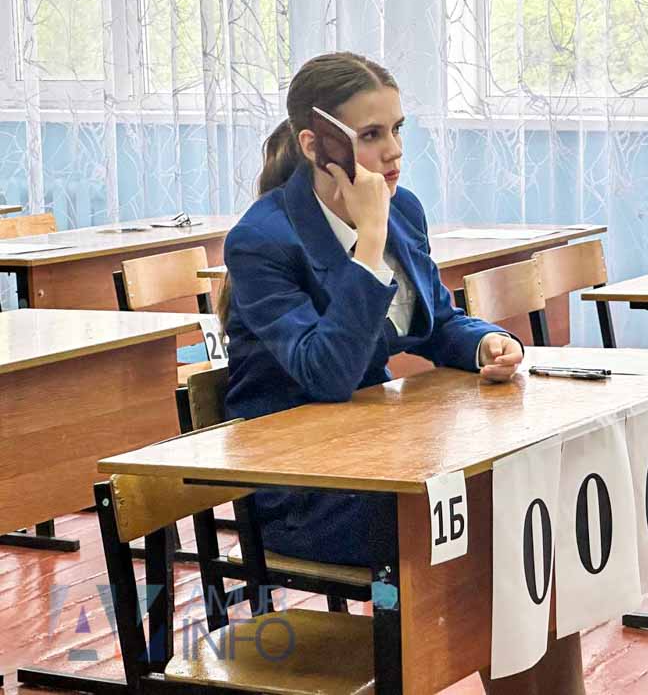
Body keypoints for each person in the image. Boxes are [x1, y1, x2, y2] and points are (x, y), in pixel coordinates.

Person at [219, 51, 584, 693]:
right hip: (306, 488)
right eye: (370, 135)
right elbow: (326, 374)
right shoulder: (263, 240)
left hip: (382, 458)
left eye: (396, 129)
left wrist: (486, 342)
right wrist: (367, 240)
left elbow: (436, 321)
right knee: (495, 526)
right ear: (316, 145)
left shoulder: (403, 209)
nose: (392, 151)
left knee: (531, 514)